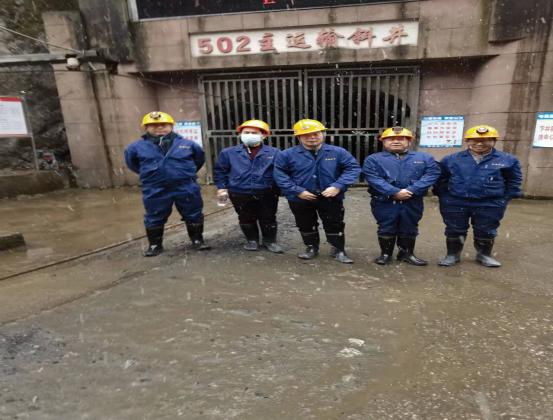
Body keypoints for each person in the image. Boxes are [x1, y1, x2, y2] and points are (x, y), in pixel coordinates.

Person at [433, 124, 522, 267]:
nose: (479, 143)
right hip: (456, 202)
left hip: (490, 203)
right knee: (454, 229)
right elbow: (441, 180)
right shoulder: (451, 159)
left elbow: (514, 181)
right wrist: (445, 197)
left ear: (494, 141)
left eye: (485, 140)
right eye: (474, 140)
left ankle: (484, 255)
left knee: (486, 230)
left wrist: (503, 200)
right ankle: (452, 255)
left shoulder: (507, 159)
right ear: (467, 141)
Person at [273, 119, 361, 264]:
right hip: (300, 198)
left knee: (335, 223)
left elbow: (353, 168)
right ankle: (311, 247)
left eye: (316, 134)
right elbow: (280, 175)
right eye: (306, 135)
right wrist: (297, 191)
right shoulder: (287, 155)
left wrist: (338, 186)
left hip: (331, 196)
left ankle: (338, 249)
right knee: (305, 223)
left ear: (323, 133)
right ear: (299, 137)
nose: (312, 137)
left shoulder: (338, 152)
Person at [124, 111, 210, 256]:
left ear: (171, 126)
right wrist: (153, 175)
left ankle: (197, 240)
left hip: (185, 186)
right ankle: (155, 245)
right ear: (146, 128)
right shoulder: (135, 147)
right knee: (154, 216)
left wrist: (182, 173)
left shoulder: (188, 144)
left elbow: (199, 159)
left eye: (163, 124)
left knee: (193, 213)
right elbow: (133, 164)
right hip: (155, 188)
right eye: (153, 125)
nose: (159, 128)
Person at [363, 126, 441, 265]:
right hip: (384, 201)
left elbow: (432, 174)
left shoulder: (424, 158)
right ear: (383, 142)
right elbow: (373, 178)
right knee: (386, 226)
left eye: (401, 138)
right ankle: (385, 254)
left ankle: (406, 254)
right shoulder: (373, 159)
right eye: (391, 139)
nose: (396, 141)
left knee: (409, 226)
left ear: (409, 141)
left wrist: (412, 190)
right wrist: (394, 192)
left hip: (412, 200)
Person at [214, 119, 282, 253]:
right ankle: (252, 240)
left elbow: (281, 172)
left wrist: (282, 189)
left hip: (267, 191)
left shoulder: (275, 152)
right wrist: (221, 188)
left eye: (254, 133)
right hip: (239, 191)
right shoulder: (228, 153)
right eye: (246, 132)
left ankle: (270, 241)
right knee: (245, 217)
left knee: (268, 217)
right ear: (241, 134)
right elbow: (220, 171)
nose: (249, 135)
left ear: (264, 135)